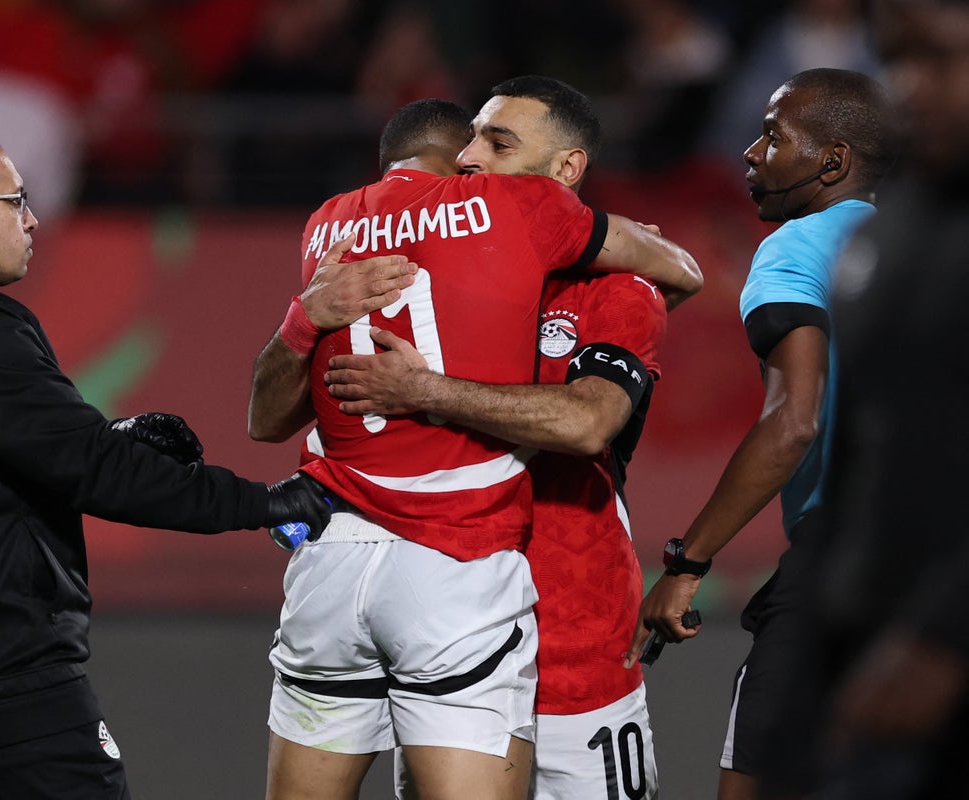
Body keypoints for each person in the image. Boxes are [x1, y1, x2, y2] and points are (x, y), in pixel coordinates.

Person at [0, 121, 333, 800]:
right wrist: (263, 502)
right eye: (15, 200)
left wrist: (104, 440)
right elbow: (96, 472)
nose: (33, 219)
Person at [321, 76, 699, 800]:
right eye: (469, 140)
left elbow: (588, 423)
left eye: (497, 143)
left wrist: (428, 391)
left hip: (570, 649)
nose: (468, 159)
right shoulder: (427, 278)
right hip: (448, 647)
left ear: (564, 172)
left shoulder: (614, 291)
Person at [624, 68, 896, 799]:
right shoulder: (922, 241)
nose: (749, 151)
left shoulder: (797, 247)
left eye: (774, 135)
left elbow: (792, 421)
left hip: (845, 559)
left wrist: (686, 562)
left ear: (831, 161)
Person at [758, 2, 969, 797]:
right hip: (870, 654)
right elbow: (852, 461)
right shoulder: (891, 228)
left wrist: (948, 637)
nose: (910, 87)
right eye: (897, 61)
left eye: (940, 60)